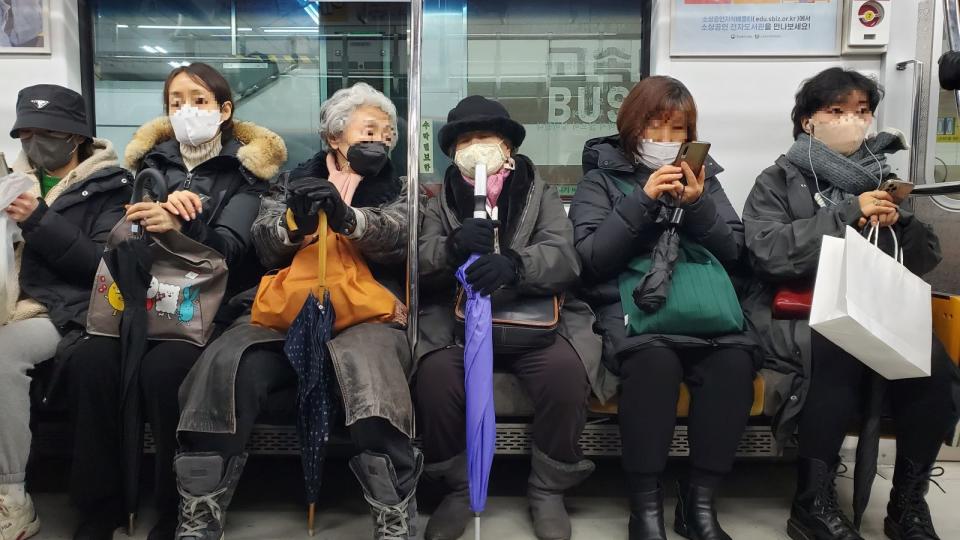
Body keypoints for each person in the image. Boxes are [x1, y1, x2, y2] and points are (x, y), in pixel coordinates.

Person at [173, 82, 420, 540]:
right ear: (334, 137)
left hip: (369, 311)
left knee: (370, 369)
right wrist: (296, 224)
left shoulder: (402, 185)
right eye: (370, 131)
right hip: (287, 306)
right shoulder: (290, 182)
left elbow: (402, 238)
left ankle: (392, 510)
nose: (381, 140)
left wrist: (350, 220)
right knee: (230, 362)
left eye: (388, 134)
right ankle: (201, 508)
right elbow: (265, 247)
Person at [66, 63, 286, 540]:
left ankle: (177, 504)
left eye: (200, 100)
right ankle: (99, 505)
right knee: (92, 362)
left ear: (225, 110)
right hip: (136, 298)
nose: (188, 110)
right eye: (177, 102)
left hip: (207, 309)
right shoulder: (145, 168)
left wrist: (187, 227)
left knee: (165, 371)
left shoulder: (246, 174)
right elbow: (114, 235)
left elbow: (233, 249)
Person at [742, 67, 960, 540]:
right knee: (839, 350)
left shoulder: (885, 179)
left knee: (934, 368)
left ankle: (908, 504)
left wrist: (900, 222)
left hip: (874, 305)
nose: (851, 120)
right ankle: (812, 501)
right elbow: (768, 252)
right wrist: (845, 214)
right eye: (835, 111)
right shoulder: (777, 179)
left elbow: (922, 260)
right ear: (807, 121)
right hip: (799, 311)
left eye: (861, 112)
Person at [568, 76, 756, 540]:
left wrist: (696, 207)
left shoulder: (705, 180)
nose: (667, 142)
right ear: (633, 128)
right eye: (657, 128)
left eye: (679, 131)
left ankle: (700, 505)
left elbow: (736, 251)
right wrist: (642, 200)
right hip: (633, 308)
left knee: (734, 364)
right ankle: (644, 508)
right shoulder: (600, 180)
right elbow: (590, 262)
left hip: (705, 308)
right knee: (653, 364)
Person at [415, 95, 605, 540]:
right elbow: (420, 260)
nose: (476, 146)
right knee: (436, 377)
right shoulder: (438, 200)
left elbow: (566, 258)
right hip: (458, 322)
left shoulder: (542, 195)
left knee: (564, 373)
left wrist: (517, 265)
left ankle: (548, 489)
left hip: (534, 318)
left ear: (508, 146)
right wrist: (451, 245)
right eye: (465, 139)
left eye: (485, 136)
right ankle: (458, 487)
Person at [0, 84, 132, 540]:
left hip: (66, 309)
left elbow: (101, 267)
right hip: (9, 299)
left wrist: (38, 220)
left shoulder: (112, 187)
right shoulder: (10, 180)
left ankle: (11, 495)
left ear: (75, 137)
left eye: (47, 132)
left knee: (3, 356)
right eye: (26, 133)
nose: (34, 143)